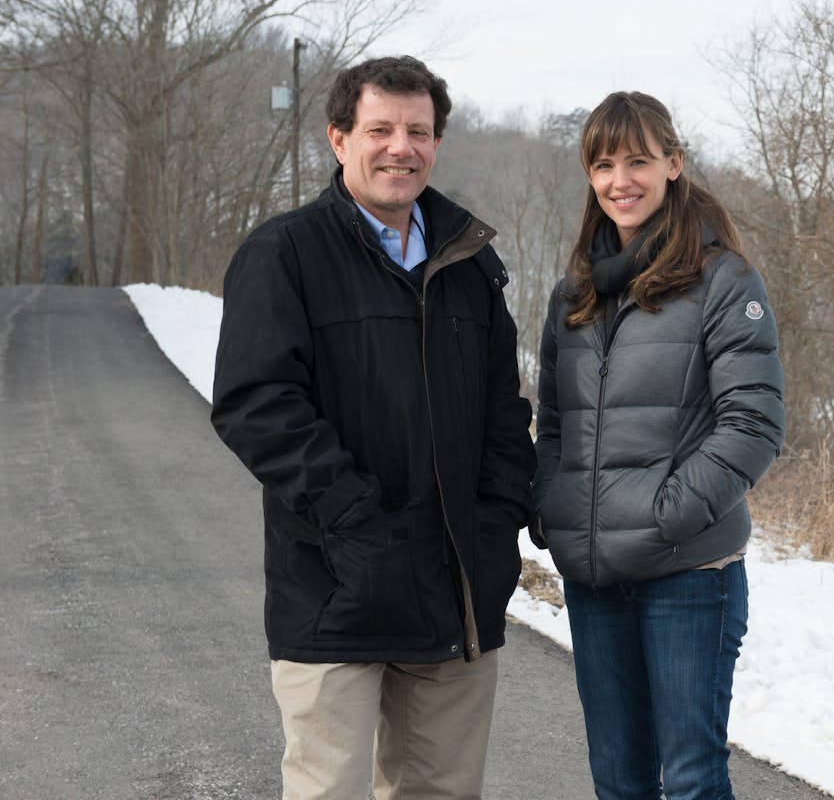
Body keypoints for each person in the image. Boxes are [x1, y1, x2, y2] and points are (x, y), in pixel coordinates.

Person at [210, 55, 535, 799]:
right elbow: (255, 403)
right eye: (380, 128)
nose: (401, 147)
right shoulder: (284, 253)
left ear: (436, 143)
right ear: (338, 139)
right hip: (334, 588)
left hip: (455, 593)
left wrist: (495, 527)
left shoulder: (471, 263)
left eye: (418, 131)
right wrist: (356, 524)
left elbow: (502, 413)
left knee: (442, 792)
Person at [531, 91, 786, 800]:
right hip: (594, 576)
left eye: (638, 159)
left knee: (693, 779)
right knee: (619, 781)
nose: (622, 179)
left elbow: (754, 423)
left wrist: (667, 512)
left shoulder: (723, 280)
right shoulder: (572, 295)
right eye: (604, 163)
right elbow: (552, 423)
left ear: (673, 164)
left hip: (688, 573)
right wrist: (554, 504)